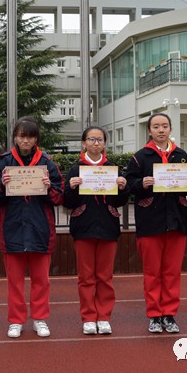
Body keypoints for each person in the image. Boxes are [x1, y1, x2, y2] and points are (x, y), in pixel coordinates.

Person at [0, 117, 64, 338]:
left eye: (30, 136)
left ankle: (40, 318)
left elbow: (60, 196)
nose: (25, 140)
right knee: (15, 281)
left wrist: (49, 188)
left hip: (40, 228)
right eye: (21, 136)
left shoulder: (47, 163)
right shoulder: (3, 162)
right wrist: (2, 185)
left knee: (42, 280)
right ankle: (16, 320)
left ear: (36, 138)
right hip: (13, 227)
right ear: (15, 137)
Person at [125, 113, 187, 334]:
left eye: (165, 126)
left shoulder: (181, 155)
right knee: (152, 272)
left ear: (170, 128)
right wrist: (141, 183)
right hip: (150, 222)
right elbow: (127, 184)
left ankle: (169, 314)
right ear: (149, 130)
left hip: (176, 221)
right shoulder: (141, 157)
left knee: (172, 272)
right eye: (156, 126)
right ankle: (154, 315)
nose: (161, 130)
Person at [62, 126, 129, 335]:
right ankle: (89, 317)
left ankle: (104, 316)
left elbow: (120, 201)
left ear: (105, 144)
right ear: (84, 143)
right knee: (86, 277)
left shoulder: (112, 168)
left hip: (108, 227)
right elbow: (67, 201)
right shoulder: (76, 169)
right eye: (91, 139)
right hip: (83, 227)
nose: (95, 143)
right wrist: (71, 187)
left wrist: (122, 187)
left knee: (105, 276)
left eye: (99, 140)